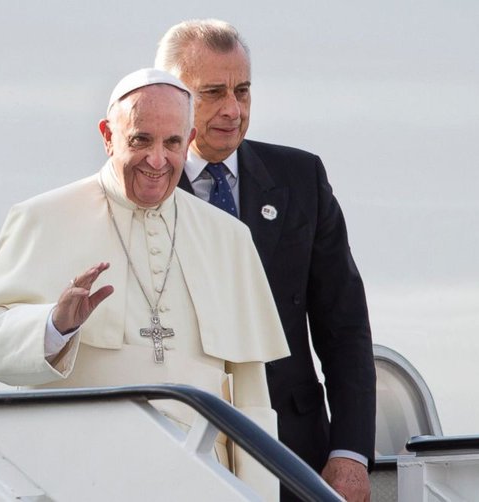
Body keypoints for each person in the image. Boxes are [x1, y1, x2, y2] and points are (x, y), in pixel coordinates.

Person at [0, 68, 290, 500]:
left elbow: (252, 400)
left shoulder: (228, 237)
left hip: (200, 484)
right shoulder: (43, 217)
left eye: (172, 143)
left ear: (188, 140)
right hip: (81, 478)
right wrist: (55, 325)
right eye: (141, 140)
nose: (157, 160)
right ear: (107, 136)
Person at [156, 19, 377, 502]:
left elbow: (344, 326)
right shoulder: (146, 185)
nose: (232, 110)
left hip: (295, 452)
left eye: (243, 91)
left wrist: (351, 453)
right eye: (213, 92)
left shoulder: (301, 177)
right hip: (184, 451)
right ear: (173, 96)